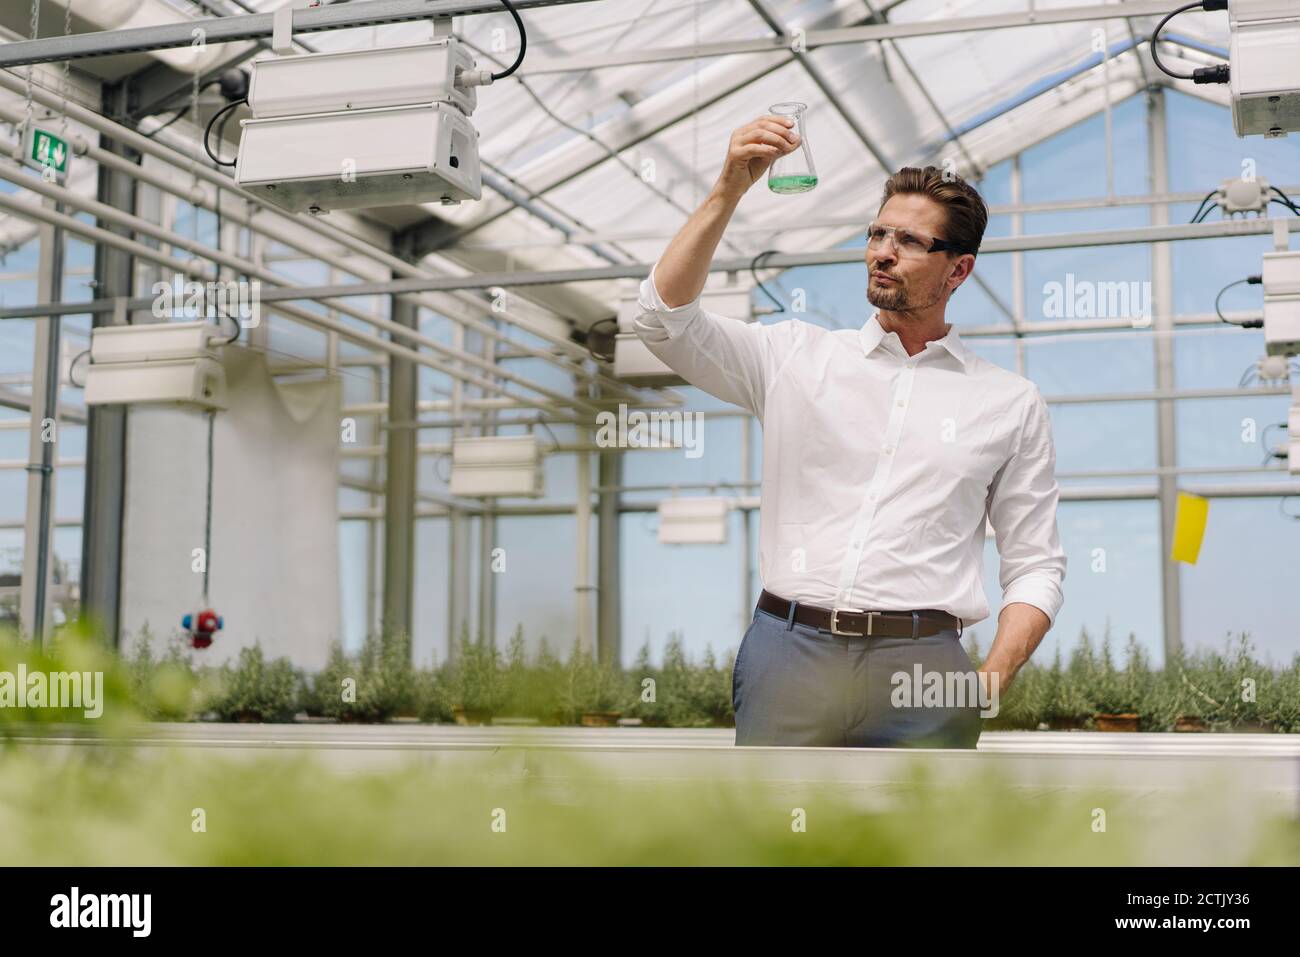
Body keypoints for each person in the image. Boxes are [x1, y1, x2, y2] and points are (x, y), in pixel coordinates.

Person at [633, 114, 1067, 748]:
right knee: (775, 839)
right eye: (876, 233)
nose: (883, 252)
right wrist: (728, 188)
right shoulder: (792, 357)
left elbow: (1035, 565)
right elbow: (661, 321)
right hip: (789, 652)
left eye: (911, 242)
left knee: (917, 845)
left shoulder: (1009, 402)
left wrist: (991, 680)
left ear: (959, 269)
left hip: (925, 667)